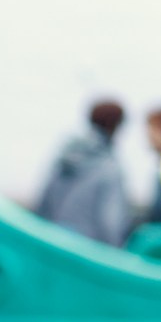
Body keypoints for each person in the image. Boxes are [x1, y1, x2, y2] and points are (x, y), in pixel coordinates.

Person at [35, 98, 129, 247]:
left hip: (54, 246)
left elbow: (43, 204)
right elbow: (111, 222)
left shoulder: (64, 157)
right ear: (117, 126)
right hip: (87, 255)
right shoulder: (109, 167)